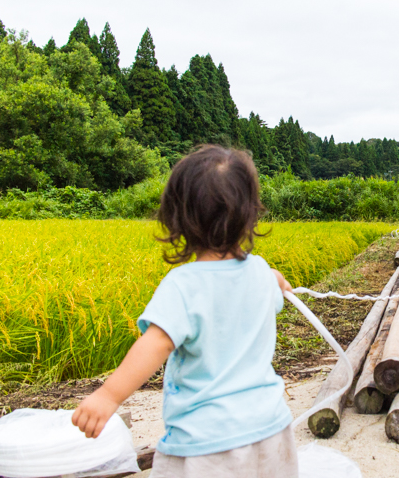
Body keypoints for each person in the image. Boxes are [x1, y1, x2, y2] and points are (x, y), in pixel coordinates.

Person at [71, 145, 298, 478]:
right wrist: (275, 278)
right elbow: (277, 283)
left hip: (207, 442)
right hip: (272, 428)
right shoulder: (262, 273)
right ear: (250, 213)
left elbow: (157, 343)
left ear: (178, 217)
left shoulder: (183, 285)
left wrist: (108, 396)